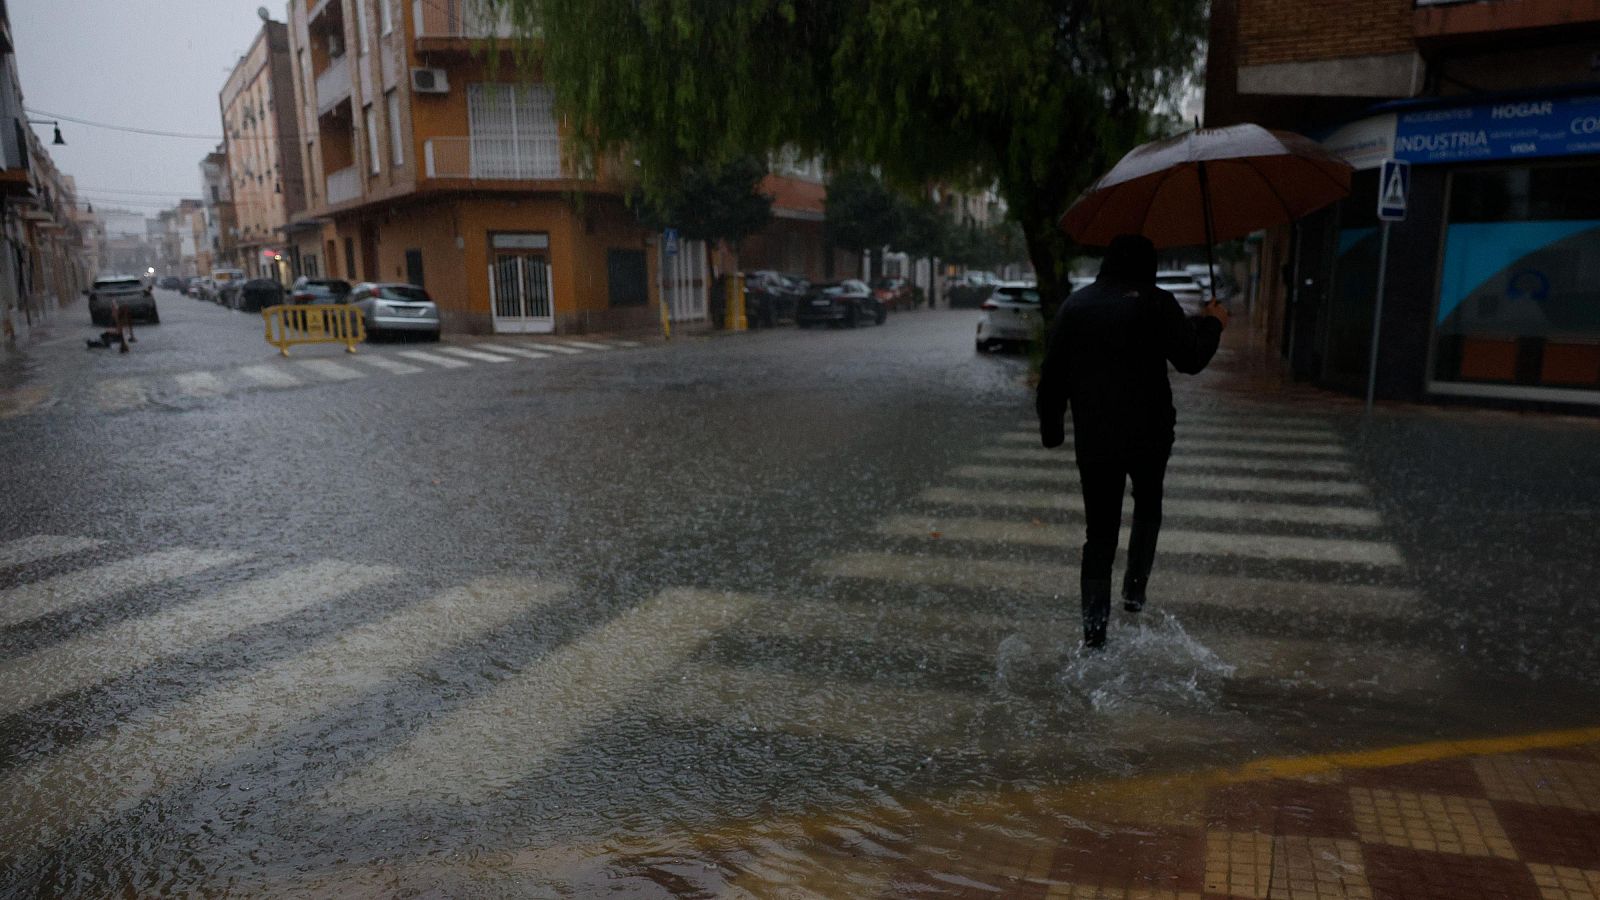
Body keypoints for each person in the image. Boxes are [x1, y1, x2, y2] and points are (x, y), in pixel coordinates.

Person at [1035, 235, 1229, 649]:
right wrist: (1213, 322)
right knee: (1148, 503)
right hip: (1150, 433)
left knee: (1099, 533)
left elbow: (1051, 378)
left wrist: (1053, 433)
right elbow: (1191, 359)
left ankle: (1093, 636)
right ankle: (1135, 593)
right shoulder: (1157, 302)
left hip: (1096, 437)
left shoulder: (1076, 306)